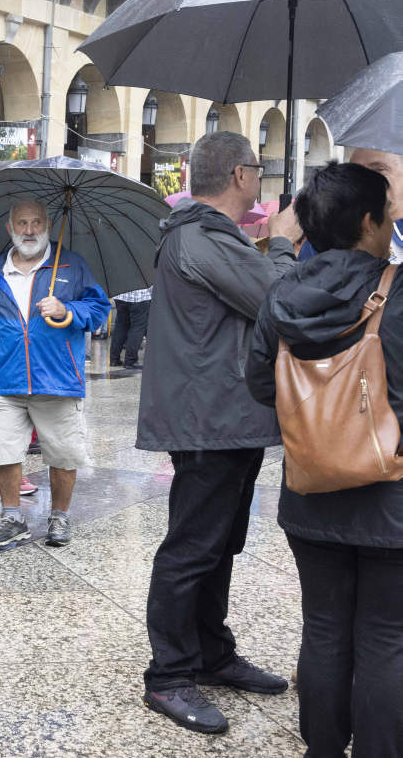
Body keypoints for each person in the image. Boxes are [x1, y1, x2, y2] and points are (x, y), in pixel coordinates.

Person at [136, 132, 298, 734]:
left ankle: (211, 652)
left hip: (228, 416)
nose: (261, 178)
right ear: (238, 175)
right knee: (192, 547)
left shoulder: (214, 237)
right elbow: (276, 302)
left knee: (220, 543)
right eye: (257, 169)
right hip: (209, 419)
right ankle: (170, 675)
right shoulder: (199, 236)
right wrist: (281, 245)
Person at [246, 161, 403, 756]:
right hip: (391, 496)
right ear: (367, 221)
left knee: (325, 627)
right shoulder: (398, 288)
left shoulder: (282, 293)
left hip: (309, 489)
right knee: (386, 636)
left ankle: (323, 748)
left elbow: (262, 384)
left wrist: (317, 419)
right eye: (386, 215)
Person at [0, 198, 111, 551]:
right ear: (10, 228)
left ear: (48, 225)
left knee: (63, 453)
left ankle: (59, 516)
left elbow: (100, 308)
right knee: (3, 450)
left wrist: (68, 309)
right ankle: (12, 518)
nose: (29, 230)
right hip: (8, 379)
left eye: (36, 222)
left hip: (57, 379)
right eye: (22, 223)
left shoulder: (71, 265)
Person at [109, 287, 151, 369]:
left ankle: (114, 359)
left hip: (120, 296)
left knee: (120, 327)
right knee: (137, 328)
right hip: (140, 297)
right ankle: (130, 361)